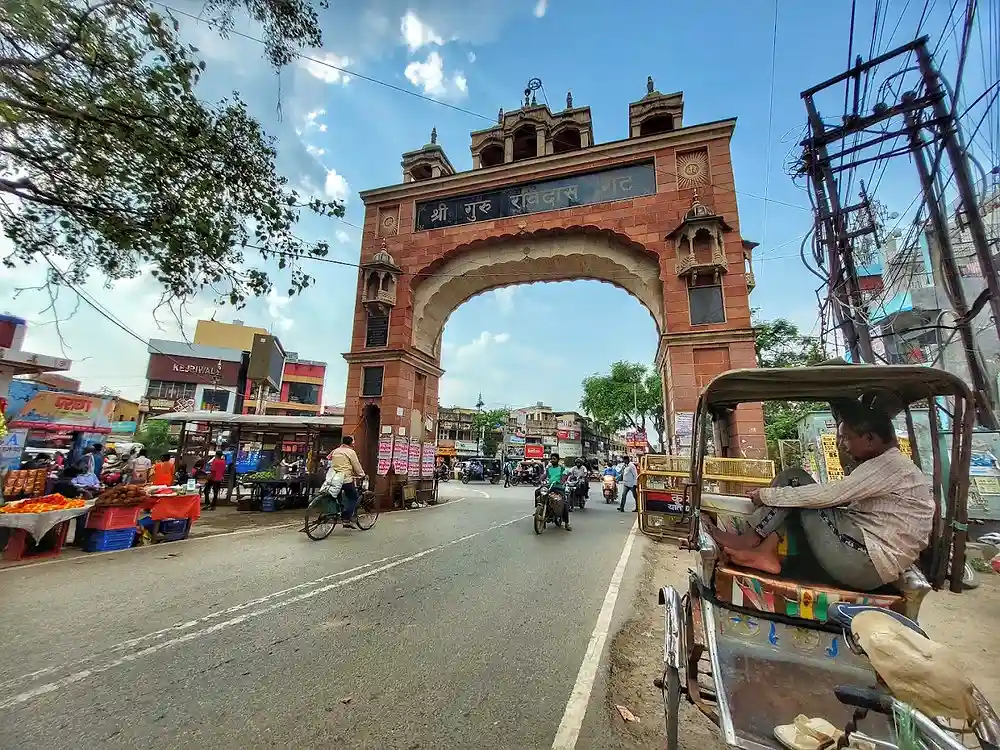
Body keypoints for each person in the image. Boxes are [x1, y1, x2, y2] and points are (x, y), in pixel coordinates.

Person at [705, 404, 934, 592]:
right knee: (796, 496)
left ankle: (750, 540)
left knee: (795, 479)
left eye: (847, 438)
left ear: (870, 439)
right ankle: (766, 552)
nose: (843, 445)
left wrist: (767, 495)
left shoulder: (889, 467)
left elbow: (829, 495)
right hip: (865, 555)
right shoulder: (891, 466)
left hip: (865, 561)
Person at [328, 436, 366, 528]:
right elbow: (356, 465)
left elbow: (329, 459)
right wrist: (362, 474)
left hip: (333, 478)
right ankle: (346, 518)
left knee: (336, 496)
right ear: (351, 443)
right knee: (354, 497)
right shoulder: (351, 452)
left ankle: (335, 513)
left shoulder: (335, 451)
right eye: (353, 442)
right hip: (345, 479)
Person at [536, 453, 571, 531]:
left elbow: (566, 474)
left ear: (558, 460)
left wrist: (562, 481)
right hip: (550, 487)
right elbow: (545, 475)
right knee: (538, 492)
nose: (552, 460)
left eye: (554, 459)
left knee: (564, 503)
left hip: (559, 488)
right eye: (551, 458)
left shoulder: (561, 468)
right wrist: (540, 479)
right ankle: (539, 509)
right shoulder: (549, 468)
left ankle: (566, 523)